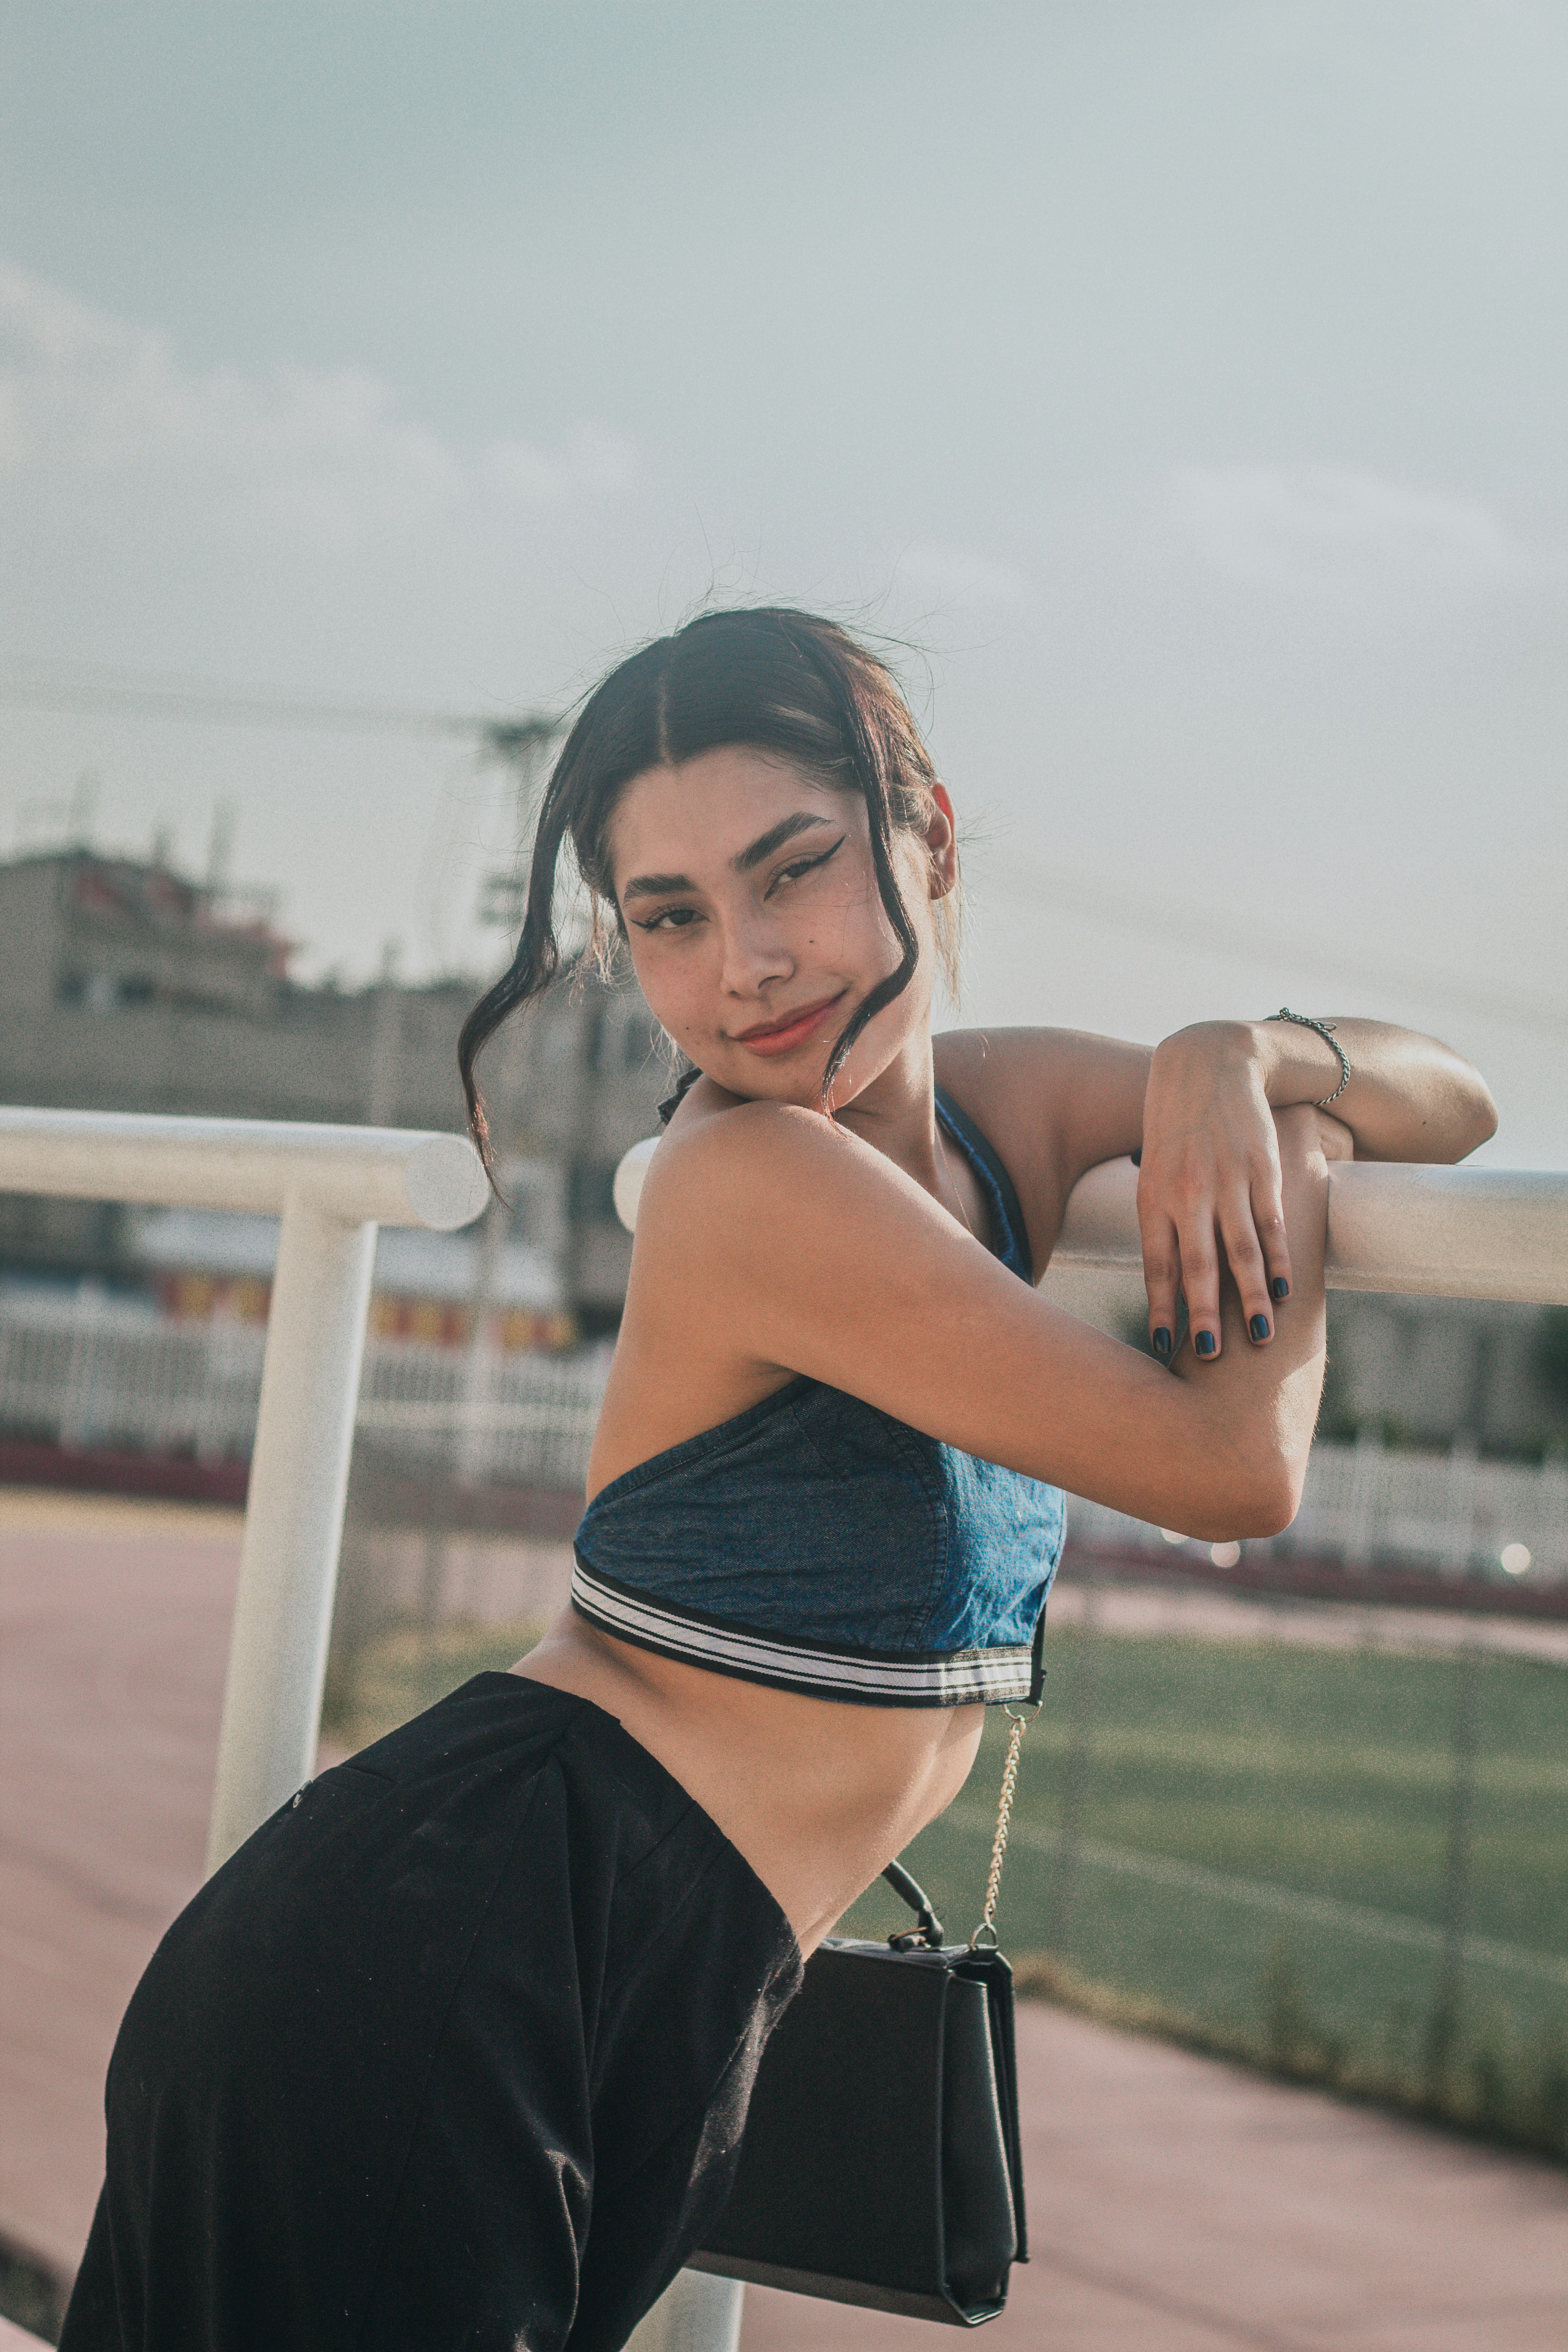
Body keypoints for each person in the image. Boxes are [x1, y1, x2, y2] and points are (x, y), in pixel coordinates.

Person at [61, 608, 1497, 2352]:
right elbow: (1231, 1467)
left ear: (933, 838)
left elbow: (1467, 1102)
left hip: (628, 2016)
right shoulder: (747, 1179)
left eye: (792, 870)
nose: (745, 962)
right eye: (669, 917)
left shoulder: (1003, 1119)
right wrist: (1273, 1133)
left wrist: (1250, 1059)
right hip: (444, 1980)